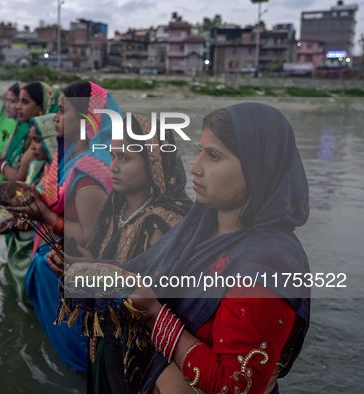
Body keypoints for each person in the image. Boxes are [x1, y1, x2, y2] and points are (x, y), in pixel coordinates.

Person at [117, 103, 310, 394]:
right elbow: (147, 269)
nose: (195, 168)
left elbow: (233, 385)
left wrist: (155, 314)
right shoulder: (199, 226)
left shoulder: (268, 265)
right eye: (201, 152)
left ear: (259, 167)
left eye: (214, 156)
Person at [47, 114, 193, 394]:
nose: (113, 168)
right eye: (113, 156)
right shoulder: (116, 208)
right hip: (103, 341)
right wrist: (75, 266)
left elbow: (153, 297)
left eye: (125, 159)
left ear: (153, 160)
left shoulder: (165, 221)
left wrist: (89, 273)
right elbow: (103, 260)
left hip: (137, 356)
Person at [7, 81, 120, 372]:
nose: (55, 118)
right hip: (65, 265)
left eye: (62, 111)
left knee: (81, 364)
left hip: (79, 275)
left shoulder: (91, 169)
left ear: (87, 120)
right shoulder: (70, 159)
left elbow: (90, 238)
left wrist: (43, 213)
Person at [0, 114, 57, 306]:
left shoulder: (64, 177)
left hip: (51, 251)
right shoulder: (41, 166)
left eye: (38, 141)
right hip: (38, 242)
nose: (31, 147)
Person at [0, 82, 57, 182]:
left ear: (40, 107)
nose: (18, 106)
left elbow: (19, 177)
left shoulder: (43, 140)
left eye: (24, 102)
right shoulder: (27, 135)